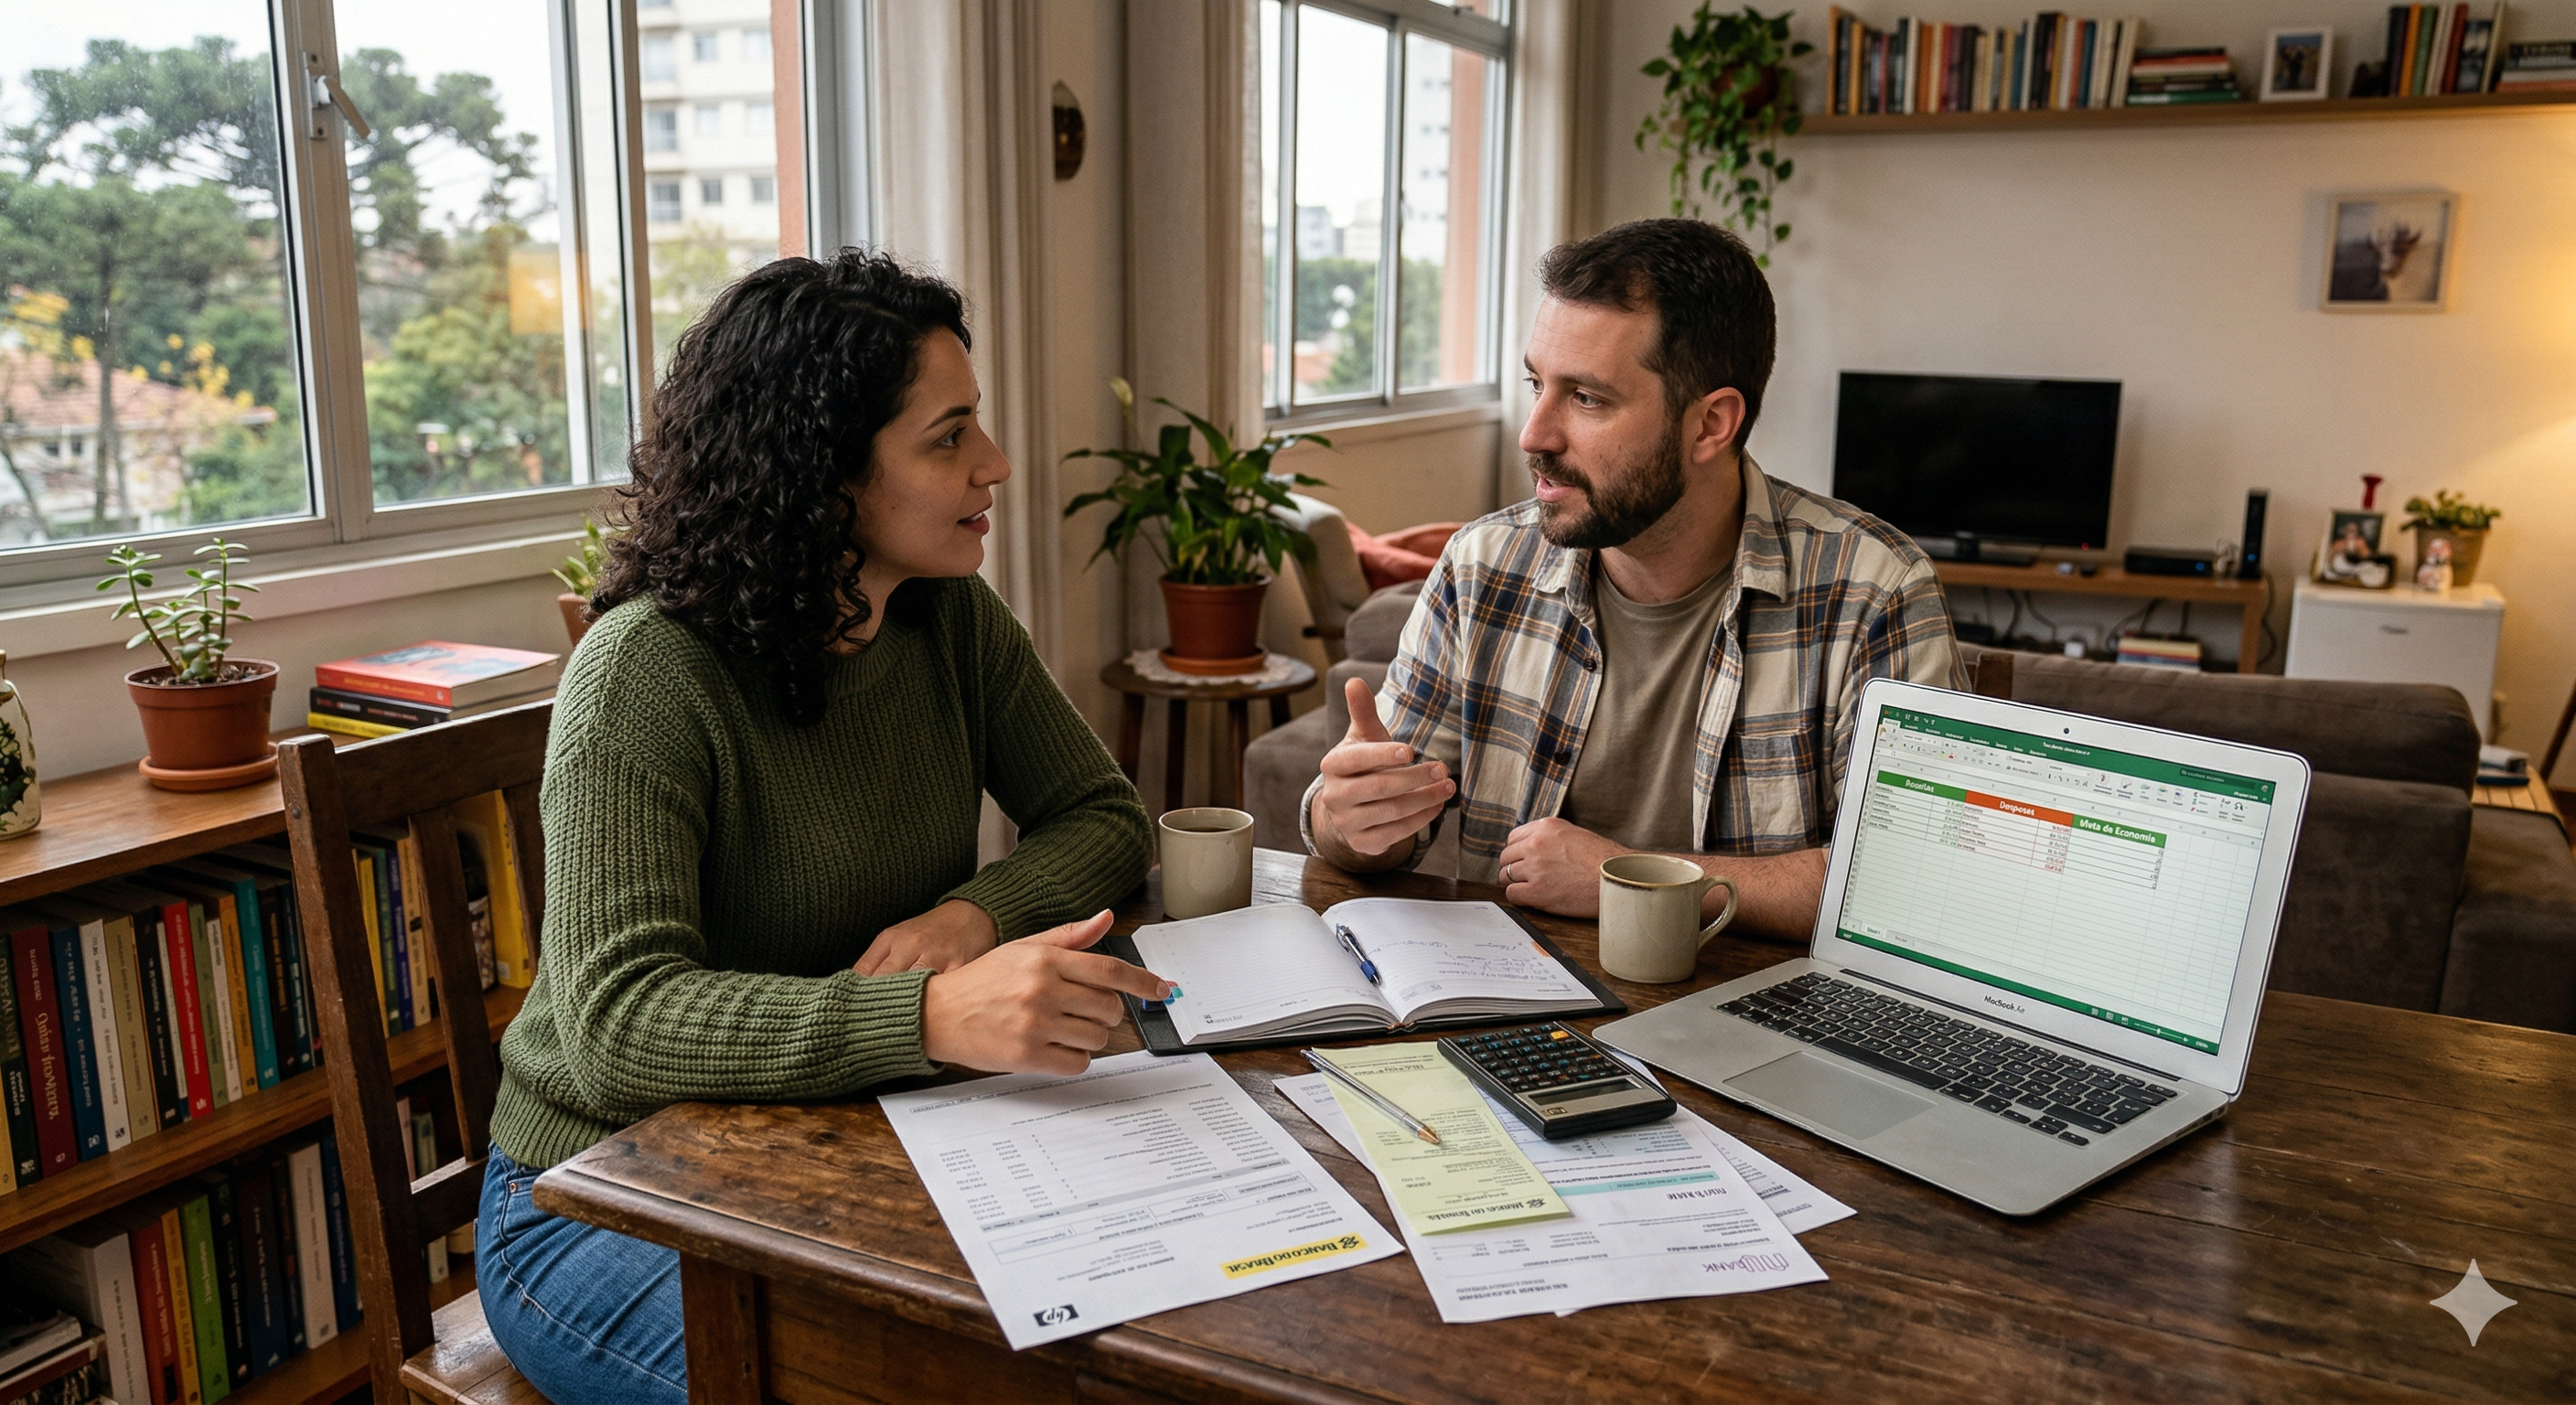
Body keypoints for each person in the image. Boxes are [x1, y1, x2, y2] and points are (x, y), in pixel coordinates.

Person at [477, 250, 1168, 1405]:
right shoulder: (644, 671)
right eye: (947, 439)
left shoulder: (946, 616)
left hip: (843, 1141)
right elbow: (614, 1021)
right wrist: (932, 1013)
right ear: (820, 473)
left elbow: (1100, 816)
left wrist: (972, 917)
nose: (992, 467)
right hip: (598, 1194)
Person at [1304, 219, 1962, 939]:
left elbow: (1917, 883)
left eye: (1586, 398)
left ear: (1711, 423)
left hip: (1750, 1021)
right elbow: (1373, 831)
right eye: (1537, 384)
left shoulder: (1875, 591)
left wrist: (1630, 877)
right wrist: (1349, 818)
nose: (1535, 434)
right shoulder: (1482, 566)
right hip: (1506, 1009)